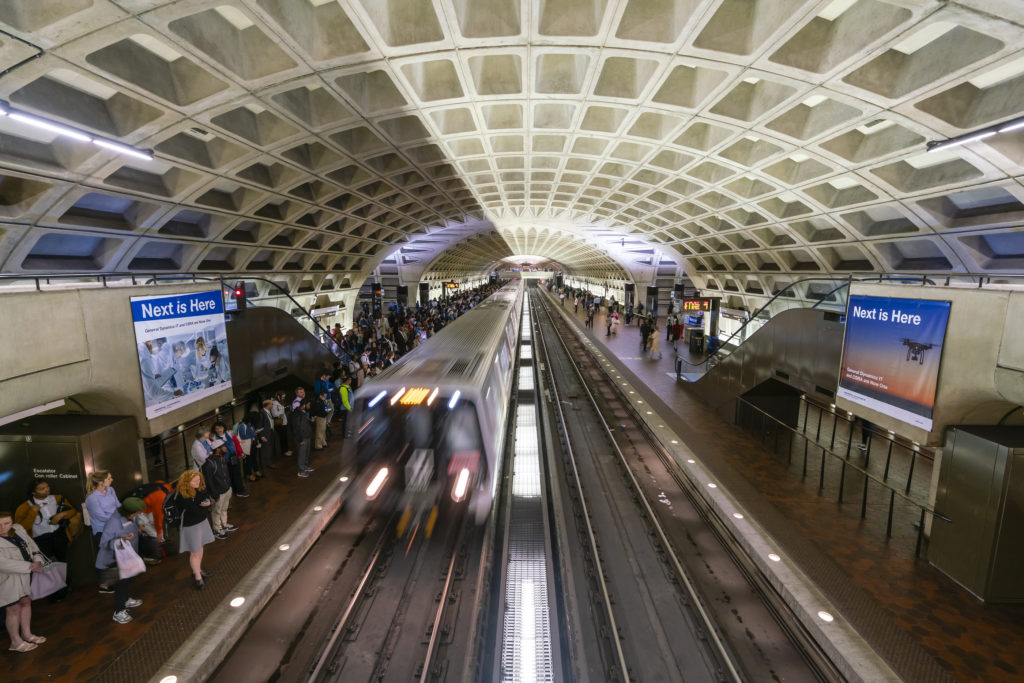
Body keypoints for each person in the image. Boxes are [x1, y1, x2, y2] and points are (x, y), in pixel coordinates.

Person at [96, 497, 147, 624]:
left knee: (129, 579)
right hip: (115, 559)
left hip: (128, 556)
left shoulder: (130, 517)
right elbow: (104, 543)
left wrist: (138, 528)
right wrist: (122, 540)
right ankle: (119, 611)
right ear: (131, 512)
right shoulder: (114, 522)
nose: (139, 514)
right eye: (137, 512)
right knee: (121, 585)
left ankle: (126, 600)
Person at [0, 511, 46, 651]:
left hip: (26, 574)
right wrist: (30, 567)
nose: (2, 527)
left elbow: (33, 547)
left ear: (12, 522)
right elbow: (2, 563)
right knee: (13, 608)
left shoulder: (18, 529)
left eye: (6, 523)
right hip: (7, 578)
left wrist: (38, 561)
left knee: (26, 602)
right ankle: (15, 642)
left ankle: (27, 634)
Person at [15, 479, 82, 566]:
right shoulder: (24, 507)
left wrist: (62, 514)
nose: (47, 489)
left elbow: (73, 511)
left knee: (63, 561)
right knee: (47, 566)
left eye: (47, 486)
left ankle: (64, 578)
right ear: (33, 493)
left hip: (59, 535)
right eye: (42, 489)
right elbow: (19, 529)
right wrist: (32, 513)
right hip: (40, 541)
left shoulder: (57, 498)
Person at [172, 470, 215, 590]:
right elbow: (195, 510)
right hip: (190, 526)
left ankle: (198, 569)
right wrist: (206, 505)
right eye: (195, 480)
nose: (198, 482)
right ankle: (197, 577)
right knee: (195, 552)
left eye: (199, 479)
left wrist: (206, 504)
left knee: (200, 548)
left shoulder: (198, 489)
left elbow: (204, 500)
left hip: (201, 522)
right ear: (187, 482)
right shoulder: (182, 495)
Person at [84, 471, 119, 592]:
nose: (112, 479)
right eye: (109, 478)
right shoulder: (91, 499)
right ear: (100, 482)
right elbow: (101, 517)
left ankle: (115, 581)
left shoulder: (111, 490)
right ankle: (104, 585)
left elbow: (117, 505)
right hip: (102, 532)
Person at [200, 440, 234, 539]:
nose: (226, 448)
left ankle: (224, 524)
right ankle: (217, 529)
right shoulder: (209, 463)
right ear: (218, 449)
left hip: (227, 489)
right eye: (224, 446)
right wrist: (215, 495)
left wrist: (229, 486)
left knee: (224, 509)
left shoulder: (221, 458)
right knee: (216, 511)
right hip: (218, 493)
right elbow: (209, 482)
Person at [212, 421, 247, 499]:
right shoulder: (214, 439)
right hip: (224, 460)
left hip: (234, 457)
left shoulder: (230, 434)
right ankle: (233, 491)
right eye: (217, 428)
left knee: (237, 474)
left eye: (220, 427)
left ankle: (240, 491)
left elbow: (237, 444)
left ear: (224, 428)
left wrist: (241, 453)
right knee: (228, 476)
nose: (219, 430)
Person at [291, 398, 314, 478]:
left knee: (306, 453)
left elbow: (305, 424)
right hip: (302, 437)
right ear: (304, 405)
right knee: (302, 454)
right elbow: (296, 428)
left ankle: (305, 467)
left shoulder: (303, 412)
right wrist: (300, 439)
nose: (309, 406)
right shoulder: (297, 414)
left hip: (307, 436)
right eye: (308, 404)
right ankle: (301, 471)